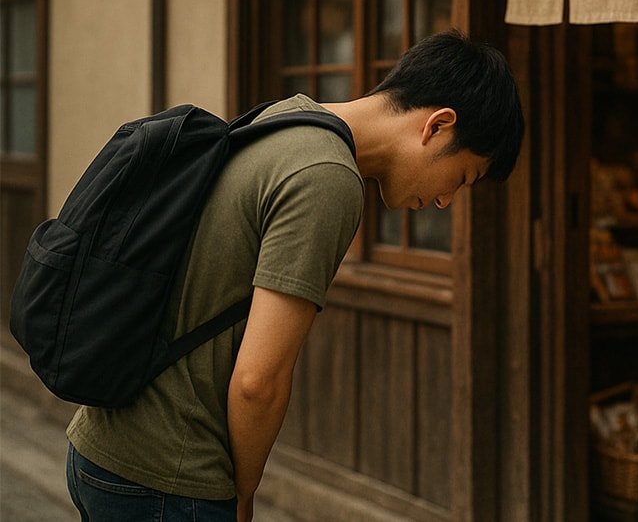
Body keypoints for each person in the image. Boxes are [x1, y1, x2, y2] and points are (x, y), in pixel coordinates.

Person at [63, 30, 525, 521]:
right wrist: (242, 497)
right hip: (169, 478)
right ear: (438, 126)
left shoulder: (288, 116)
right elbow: (258, 381)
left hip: (104, 441)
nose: (444, 201)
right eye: (461, 178)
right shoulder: (328, 176)